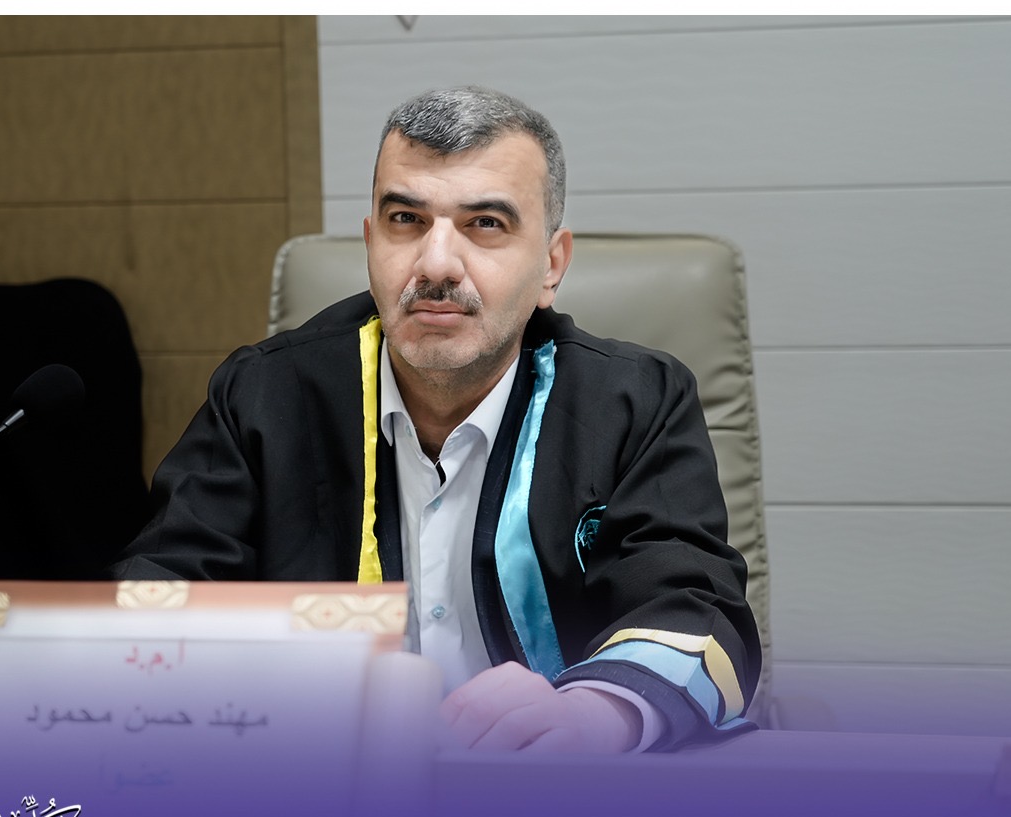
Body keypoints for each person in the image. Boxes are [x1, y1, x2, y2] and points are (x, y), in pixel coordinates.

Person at [113, 86, 760, 752]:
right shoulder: (265, 394)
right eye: (406, 219)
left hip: (554, 790)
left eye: (486, 224)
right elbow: (159, 595)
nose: (436, 264)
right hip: (324, 784)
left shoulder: (635, 403)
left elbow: (696, 611)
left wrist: (597, 715)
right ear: (371, 243)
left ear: (551, 265)